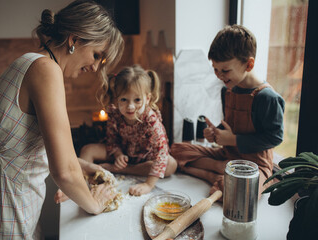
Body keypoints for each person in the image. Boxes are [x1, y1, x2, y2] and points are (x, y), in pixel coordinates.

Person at [0, 1, 124, 239]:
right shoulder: (46, 70)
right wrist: (96, 204)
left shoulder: (26, 62)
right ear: (74, 40)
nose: (94, 67)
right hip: (6, 216)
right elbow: (64, 172)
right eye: (96, 55)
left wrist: (85, 166)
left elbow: (20, 153)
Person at [171, 25, 285, 201]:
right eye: (215, 69)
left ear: (249, 64)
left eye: (225, 70)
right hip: (227, 155)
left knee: (240, 193)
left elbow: (275, 138)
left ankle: (211, 173)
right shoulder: (228, 90)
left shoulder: (267, 97)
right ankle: (219, 169)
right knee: (177, 149)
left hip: (255, 165)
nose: (219, 75)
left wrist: (232, 139)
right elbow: (230, 125)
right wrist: (215, 133)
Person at [56, 65, 177, 200]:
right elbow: (111, 139)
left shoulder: (151, 120)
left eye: (137, 100)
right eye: (124, 100)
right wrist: (118, 154)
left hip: (145, 157)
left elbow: (161, 152)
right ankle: (77, 185)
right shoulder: (115, 113)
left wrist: (148, 185)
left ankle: (119, 169)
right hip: (123, 151)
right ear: (116, 99)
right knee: (88, 149)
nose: (130, 106)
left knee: (171, 164)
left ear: (147, 99)